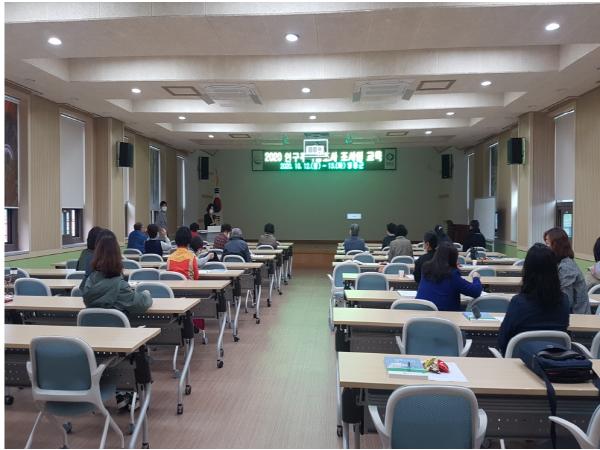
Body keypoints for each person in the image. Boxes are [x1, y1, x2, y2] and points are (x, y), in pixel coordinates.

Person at [497, 243, 570, 355]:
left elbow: (502, 341)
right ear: (554, 270)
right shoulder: (564, 301)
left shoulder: (518, 303)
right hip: (554, 361)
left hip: (519, 362)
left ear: (527, 270)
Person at [81, 230, 152, 314]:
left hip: (92, 322)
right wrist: (146, 293)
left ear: (96, 255)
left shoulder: (89, 283)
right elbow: (142, 303)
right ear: (118, 256)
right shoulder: (121, 286)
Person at [416, 242, 482, 311]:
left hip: (422, 312)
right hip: (445, 314)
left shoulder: (425, 268)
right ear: (454, 259)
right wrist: (476, 278)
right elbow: (476, 292)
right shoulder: (452, 274)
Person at [544, 227, 591, 314]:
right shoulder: (561, 263)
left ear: (557, 245)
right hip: (570, 314)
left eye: (547, 244)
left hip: (577, 316)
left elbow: (566, 302)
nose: (545, 248)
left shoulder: (566, 267)